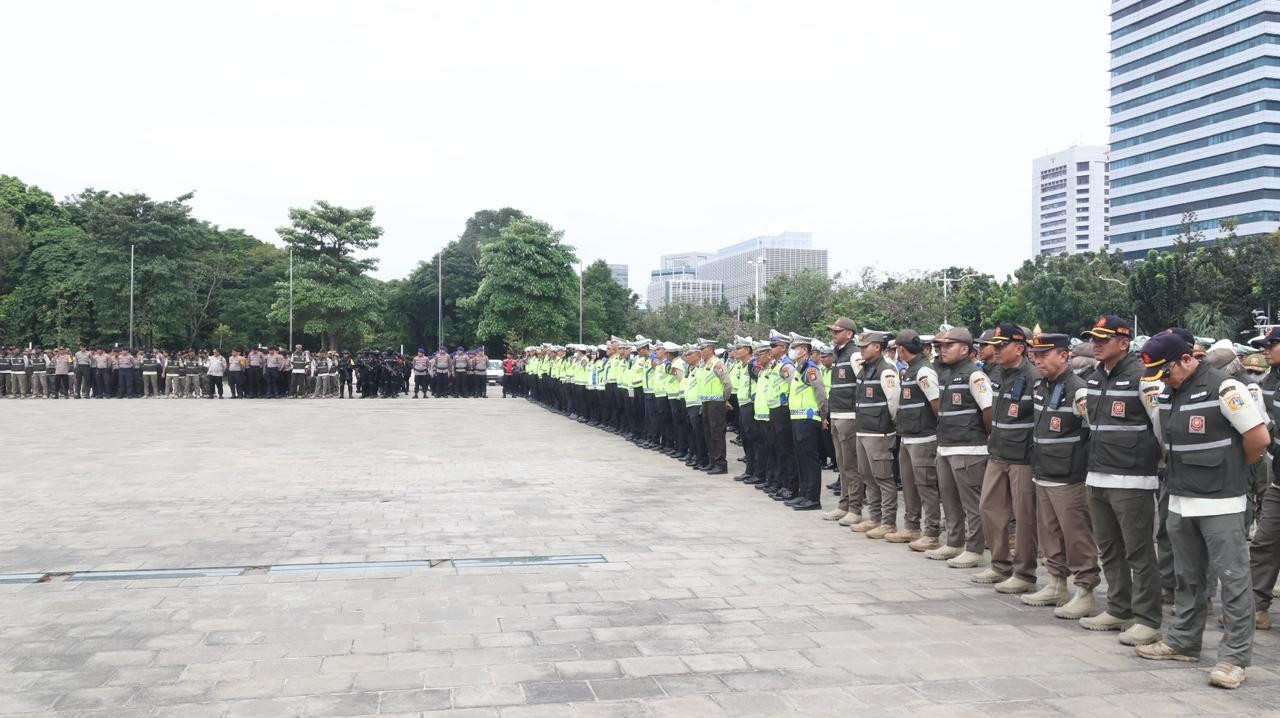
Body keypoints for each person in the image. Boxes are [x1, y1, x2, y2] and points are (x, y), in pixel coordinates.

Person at [1135, 330, 1270, 690]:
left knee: (1233, 580)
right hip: (1180, 497)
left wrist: (1228, 470)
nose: (1163, 380)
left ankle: (1234, 658)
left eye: (1167, 372)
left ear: (1187, 359)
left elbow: (1258, 439)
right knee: (1188, 576)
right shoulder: (1169, 392)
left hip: (1221, 501)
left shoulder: (1226, 389)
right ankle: (1183, 641)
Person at [1077, 315, 1165, 646]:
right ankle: (1119, 607)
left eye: (1103, 339)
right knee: (1110, 550)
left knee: (1139, 552)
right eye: (1093, 339)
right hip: (1098, 474)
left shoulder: (1144, 376)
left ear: (1124, 343)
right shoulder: (1095, 377)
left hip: (1133, 479)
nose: (1095, 344)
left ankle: (1148, 618)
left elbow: (1161, 426)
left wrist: (1157, 464)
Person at [1024, 332, 1099, 619]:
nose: (1037, 360)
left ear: (1064, 355)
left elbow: (1095, 430)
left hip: (1069, 477)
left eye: (1044, 355)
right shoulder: (1042, 385)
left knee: (1076, 535)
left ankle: (1086, 590)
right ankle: (1056, 583)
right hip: (1044, 471)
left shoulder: (1077, 389)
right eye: (1035, 355)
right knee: (1049, 534)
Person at [973, 324, 1041, 594]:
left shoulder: (1033, 376)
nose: (997, 350)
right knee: (989, 507)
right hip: (998, 452)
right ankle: (1000, 564)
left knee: (1024, 517)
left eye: (1003, 346)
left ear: (1020, 348)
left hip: (1022, 457)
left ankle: (1024, 572)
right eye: (996, 345)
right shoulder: (996, 373)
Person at [925, 327, 993, 569]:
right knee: (950, 500)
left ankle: (975, 549)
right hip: (946, 446)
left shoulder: (974, 376)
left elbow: (988, 411)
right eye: (940, 346)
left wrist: (983, 437)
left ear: (964, 349)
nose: (942, 350)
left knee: (972, 504)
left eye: (948, 346)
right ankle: (954, 542)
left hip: (969, 448)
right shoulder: (945, 374)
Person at [894, 329, 943, 552]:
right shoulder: (913, 369)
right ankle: (911, 526)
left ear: (901, 349)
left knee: (925, 485)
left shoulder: (923, 371)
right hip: (909, 436)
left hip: (923, 437)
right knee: (909, 484)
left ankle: (931, 532)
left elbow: (937, 404)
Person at [851, 330, 901, 537]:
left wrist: (889, 426)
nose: (861, 350)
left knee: (883, 478)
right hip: (863, 430)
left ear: (877, 347)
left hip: (879, 433)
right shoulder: (865, 369)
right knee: (867, 477)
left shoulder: (886, 370)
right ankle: (875, 518)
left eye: (865, 346)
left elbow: (894, 401)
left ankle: (888, 522)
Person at [823, 317, 863, 525]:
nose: (833, 335)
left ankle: (855, 508)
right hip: (838, 415)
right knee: (842, 464)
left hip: (849, 416)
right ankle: (844, 504)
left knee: (851, 465)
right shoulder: (839, 354)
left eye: (837, 331)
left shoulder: (854, 354)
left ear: (848, 333)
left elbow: (862, 383)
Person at [785, 334, 827, 511]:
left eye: (795, 348)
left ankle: (812, 498)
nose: (792, 351)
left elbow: (821, 393)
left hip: (808, 419)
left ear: (803, 350)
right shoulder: (799, 368)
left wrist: (823, 415)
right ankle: (803, 494)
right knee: (801, 459)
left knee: (810, 460)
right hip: (798, 419)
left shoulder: (811, 368)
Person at [698, 339, 732, 475]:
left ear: (711, 349)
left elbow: (727, 384)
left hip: (716, 403)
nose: (701, 351)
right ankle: (712, 462)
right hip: (706, 402)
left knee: (717, 433)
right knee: (708, 433)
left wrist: (725, 399)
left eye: (703, 348)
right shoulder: (703, 364)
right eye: (700, 349)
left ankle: (720, 464)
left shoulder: (717, 363)